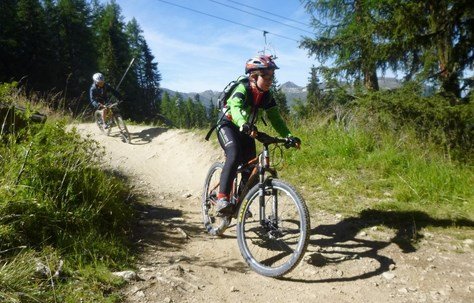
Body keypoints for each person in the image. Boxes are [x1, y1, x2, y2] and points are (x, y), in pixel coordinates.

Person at [215, 54, 301, 214]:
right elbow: (234, 108)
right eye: (265, 76)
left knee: (251, 167)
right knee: (234, 154)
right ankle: (222, 198)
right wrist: (242, 123)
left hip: (246, 128)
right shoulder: (242, 88)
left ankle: (239, 203)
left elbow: (276, 119)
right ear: (253, 76)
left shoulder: (267, 96)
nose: (270, 80)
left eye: (272, 76)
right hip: (227, 124)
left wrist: (289, 135)